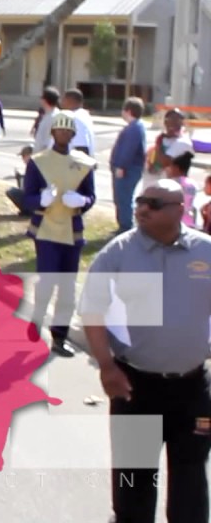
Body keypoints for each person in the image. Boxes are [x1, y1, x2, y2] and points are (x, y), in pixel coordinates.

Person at [80, 178, 211, 523]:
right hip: (136, 387)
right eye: (139, 202)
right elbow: (91, 311)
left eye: (153, 203)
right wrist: (107, 366)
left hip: (194, 388)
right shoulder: (119, 253)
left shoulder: (205, 251)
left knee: (191, 476)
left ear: (179, 210)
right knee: (133, 482)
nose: (141, 209)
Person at [23, 111, 96, 358]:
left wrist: (82, 201)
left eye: (68, 131)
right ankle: (37, 319)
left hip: (72, 231)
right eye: (60, 130)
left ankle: (59, 337)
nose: (64, 134)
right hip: (46, 229)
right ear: (53, 133)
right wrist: (39, 200)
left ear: (73, 134)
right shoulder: (38, 161)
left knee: (67, 288)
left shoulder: (83, 163)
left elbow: (91, 196)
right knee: (48, 281)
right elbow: (27, 196)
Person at [110, 97, 148, 233]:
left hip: (128, 170)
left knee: (124, 198)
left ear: (129, 111)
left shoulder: (134, 129)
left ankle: (125, 227)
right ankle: (123, 224)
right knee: (121, 197)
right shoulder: (135, 127)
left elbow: (128, 150)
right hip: (129, 169)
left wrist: (121, 166)